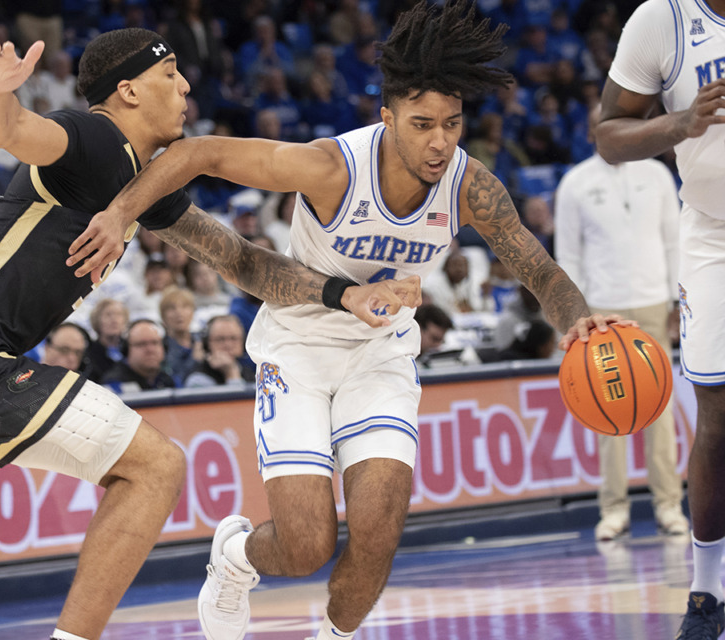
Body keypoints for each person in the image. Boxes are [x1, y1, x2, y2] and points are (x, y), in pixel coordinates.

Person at [0, 29, 417, 640]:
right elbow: (17, 131)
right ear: (127, 90)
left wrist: (343, 293)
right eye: (170, 73)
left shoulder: (140, 184)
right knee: (154, 468)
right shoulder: (94, 139)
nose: (185, 85)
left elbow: (243, 262)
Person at [66, 4, 623, 640]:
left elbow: (539, 269)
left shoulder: (472, 187)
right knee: (306, 546)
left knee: (380, 530)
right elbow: (199, 152)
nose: (439, 141)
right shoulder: (333, 168)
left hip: (379, 356)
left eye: (451, 123)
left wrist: (578, 319)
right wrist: (119, 214)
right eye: (421, 125)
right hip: (299, 346)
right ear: (387, 120)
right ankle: (234, 557)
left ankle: (337, 636)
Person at [595, 0, 725, 635]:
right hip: (715, 235)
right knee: (718, 414)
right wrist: (682, 122)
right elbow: (607, 135)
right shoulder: (662, 20)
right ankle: (707, 594)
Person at [555, 104, 687, 542]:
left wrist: (675, 300)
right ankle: (613, 510)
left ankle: (669, 505)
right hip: (600, 310)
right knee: (605, 411)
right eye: (598, 127)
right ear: (591, 131)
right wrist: (572, 313)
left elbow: (675, 242)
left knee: (660, 411)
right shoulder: (575, 183)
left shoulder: (658, 176)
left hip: (653, 302)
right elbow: (568, 256)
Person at [101, 318, 176, 393]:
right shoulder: (114, 384)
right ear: (126, 350)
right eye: (142, 344)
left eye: (155, 343)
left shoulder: (167, 380)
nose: (150, 350)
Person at [184, 314, 252, 388]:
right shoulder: (197, 380)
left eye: (233, 338)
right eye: (220, 339)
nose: (228, 345)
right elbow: (238, 399)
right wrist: (231, 374)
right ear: (207, 344)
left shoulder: (248, 372)